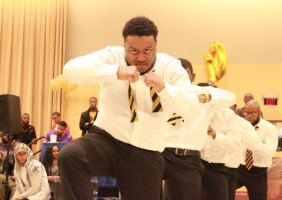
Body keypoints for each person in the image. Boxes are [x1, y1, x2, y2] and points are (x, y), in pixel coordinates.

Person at [60, 16, 203, 200]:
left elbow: (191, 108)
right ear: (124, 46)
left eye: (148, 50)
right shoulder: (113, 56)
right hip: (107, 140)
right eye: (133, 51)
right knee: (70, 156)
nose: (141, 57)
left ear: (156, 45)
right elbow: (70, 70)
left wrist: (164, 89)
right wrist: (115, 72)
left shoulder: (170, 67)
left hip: (146, 151)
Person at [162, 59, 236, 200]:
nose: (180, 78)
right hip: (163, 153)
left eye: (184, 74)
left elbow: (231, 98)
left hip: (189, 157)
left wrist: (205, 97)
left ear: (193, 76)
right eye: (175, 74)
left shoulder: (202, 91)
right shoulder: (163, 93)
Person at [237, 100, 278, 200]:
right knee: (222, 192)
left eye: (252, 113)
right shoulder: (240, 125)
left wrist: (254, 144)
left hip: (258, 172)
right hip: (239, 168)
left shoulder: (270, 128)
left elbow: (270, 152)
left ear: (259, 111)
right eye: (246, 112)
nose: (249, 115)